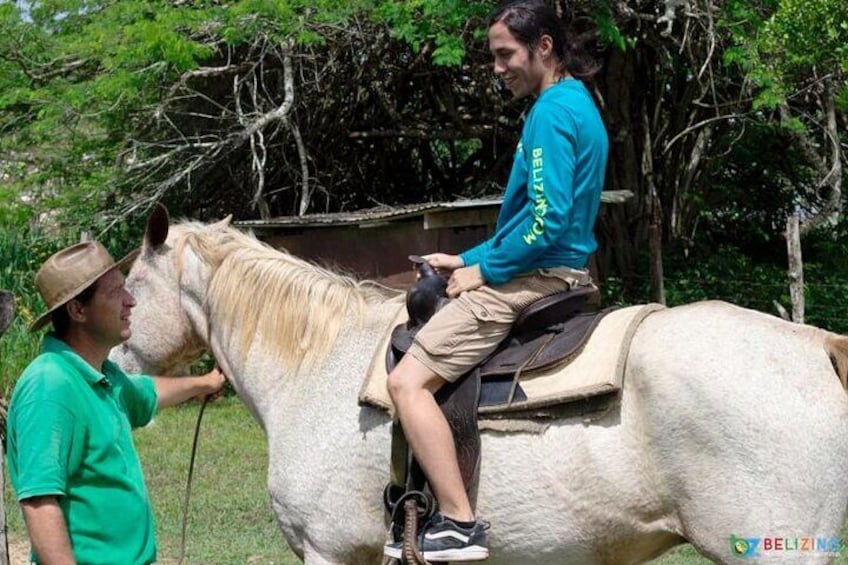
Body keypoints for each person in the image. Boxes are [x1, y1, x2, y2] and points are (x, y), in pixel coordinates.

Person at [384, 0, 609, 561]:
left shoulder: (551, 113)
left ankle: (459, 521)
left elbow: (546, 220)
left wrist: (485, 271)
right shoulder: (578, 102)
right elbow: (525, 223)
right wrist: (465, 259)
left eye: (506, 54)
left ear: (544, 47)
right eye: (494, 56)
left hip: (535, 278)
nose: (498, 67)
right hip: (558, 267)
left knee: (406, 385)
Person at [5, 240, 226, 565]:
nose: (131, 301)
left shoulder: (102, 375)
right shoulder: (50, 386)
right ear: (77, 310)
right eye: (115, 293)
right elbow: (39, 503)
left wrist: (203, 383)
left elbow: (146, 392)